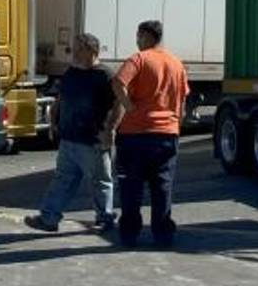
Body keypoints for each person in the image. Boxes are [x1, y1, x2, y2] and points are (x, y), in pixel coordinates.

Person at [108, 20, 189, 247]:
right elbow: (182, 101)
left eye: (138, 35)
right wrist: (174, 125)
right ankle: (163, 235)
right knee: (162, 187)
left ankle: (129, 235)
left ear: (146, 36)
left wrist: (130, 107)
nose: (136, 39)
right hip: (166, 135)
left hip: (135, 134)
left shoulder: (139, 59)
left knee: (131, 188)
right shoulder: (176, 64)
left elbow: (118, 83)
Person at [24, 33, 116, 233]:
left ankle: (105, 218)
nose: (74, 53)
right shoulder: (72, 73)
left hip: (93, 140)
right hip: (69, 138)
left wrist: (109, 130)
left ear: (92, 51)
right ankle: (49, 217)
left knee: (99, 181)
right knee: (63, 179)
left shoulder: (105, 75)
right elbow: (60, 98)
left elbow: (119, 105)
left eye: (79, 49)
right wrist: (53, 121)